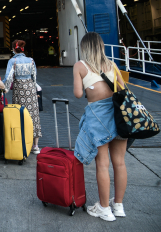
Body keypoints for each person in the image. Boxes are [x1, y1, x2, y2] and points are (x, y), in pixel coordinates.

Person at [73, 32, 127, 221]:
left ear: (85, 48)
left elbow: (78, 94)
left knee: (102, 164)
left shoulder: (80, 66)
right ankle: (118, 206)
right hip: (118, 115)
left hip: (98, 117)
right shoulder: (112, 64)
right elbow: (123, 89)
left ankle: (104, 208)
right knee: (119, 163)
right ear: (101, 46)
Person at [3, 40, 41, 154]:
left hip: (19, 89)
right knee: (33, 115)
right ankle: (35, 146)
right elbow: (34, 76)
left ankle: (22, 142)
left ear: (14, 49)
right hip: (30, 89)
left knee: (19, 114)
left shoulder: (12, 60)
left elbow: (8, 77)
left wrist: (2, 87)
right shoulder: (31, 60)